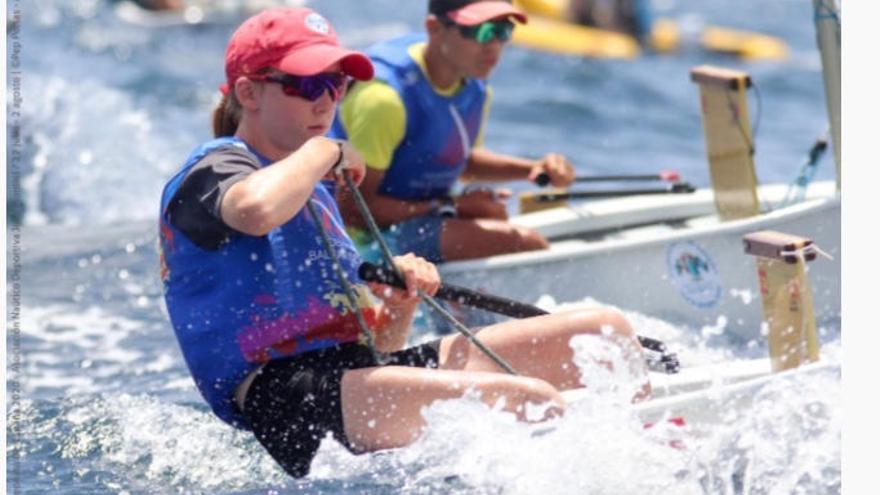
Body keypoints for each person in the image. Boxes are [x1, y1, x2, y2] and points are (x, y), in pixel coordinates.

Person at [159, 6, 650, 479]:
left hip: (354, 379)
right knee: (531, 401)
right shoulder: (217, 167)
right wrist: (326, 148)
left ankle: (659, 456)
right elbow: (254, 211)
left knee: (604, 338)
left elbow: (379, 348)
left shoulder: (316, 188)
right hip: (286, 399)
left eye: (336, 84)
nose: (326, 102)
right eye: (306, 85)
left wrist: (400, 303)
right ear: (248, 92)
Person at [330, 0, 576, 264]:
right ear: (435, 28)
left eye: (502, 31)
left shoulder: (473, 81)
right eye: (479, 32)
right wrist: (454, 206)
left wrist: (533, 169)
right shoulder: (384, 100)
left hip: (409, 218)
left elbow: (461, 161)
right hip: (356, 241)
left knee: (496, 218)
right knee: (525, 243)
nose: (493, 45)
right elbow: (353, 211)